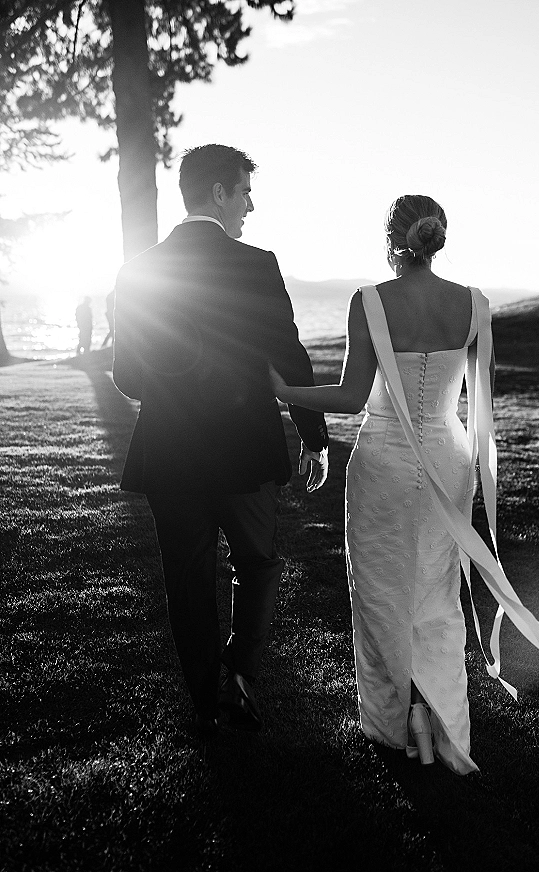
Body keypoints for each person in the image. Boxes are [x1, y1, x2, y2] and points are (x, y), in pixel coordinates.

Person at [271, 194, 539, 774]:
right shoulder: (474, 305)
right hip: (447, 455)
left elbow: (350, 397)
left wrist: (285, 393)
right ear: (438, 238)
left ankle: (396, 722)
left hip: (384, 458)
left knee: (382, 588)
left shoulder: (368, 301)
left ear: (392, 241)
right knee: (437, 592)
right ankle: (441, 721)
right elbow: (481, 403)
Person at [113, 144, 329, 739]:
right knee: (259, 564)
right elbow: (289, 357)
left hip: (169, 453)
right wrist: (314, 439)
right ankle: (239, 669)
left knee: (187, 582)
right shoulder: (257, 265)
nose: (249, 206)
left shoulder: (136, 272)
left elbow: (128, 377)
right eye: (244, 192)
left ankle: (209, 701)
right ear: (217, 194)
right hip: (246, 448)